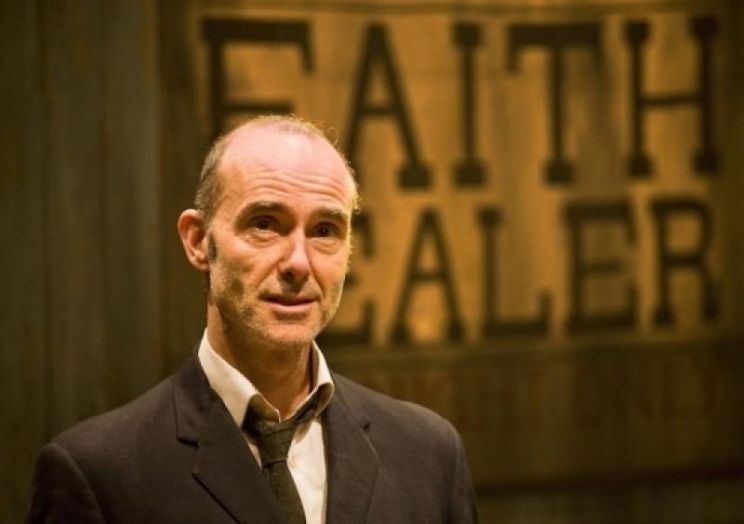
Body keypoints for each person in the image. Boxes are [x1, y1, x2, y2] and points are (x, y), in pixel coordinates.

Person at [28, 115, 478, 523]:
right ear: (198, 241)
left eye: (324, 231)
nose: (298, 262)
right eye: (265, 224)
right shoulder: (100, 473)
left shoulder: (428, 454)